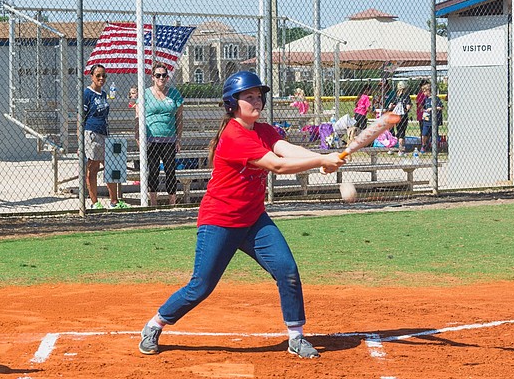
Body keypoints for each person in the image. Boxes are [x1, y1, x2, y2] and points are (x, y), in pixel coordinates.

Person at [138, 72, 345, 358]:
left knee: (287, 270)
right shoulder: (234, 136)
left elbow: (286, 150)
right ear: (232, 103)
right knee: (201, 286)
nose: (256, 100)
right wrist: (321, 160)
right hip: (220, 221)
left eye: (259, 96)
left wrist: (319, 157)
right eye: (249, 96)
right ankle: (155, 323)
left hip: (253, 220)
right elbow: (278, 166)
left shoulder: (262, 130)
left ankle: (296, 336)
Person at [140, 64, 184, 206]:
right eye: (158, 75)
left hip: (169, 139)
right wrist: (138, 137)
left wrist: (178, 138)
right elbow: (138, 117)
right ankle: (153, 202)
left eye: (164, 75)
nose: (161, 78)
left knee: (170, 170)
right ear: (152, 77)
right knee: (153, 170)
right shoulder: (145, 94)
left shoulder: (174, 94)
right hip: (151, 139)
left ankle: (172, 202)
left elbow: (179, 118)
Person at [82, 64, 125, 209]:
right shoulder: (87, 93)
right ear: (92, 76)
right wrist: (80, 139)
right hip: (92, 132)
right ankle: (95, 203)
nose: (101, 78)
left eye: (104, 75)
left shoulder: (104, 94)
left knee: (112, 166)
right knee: (93, 167)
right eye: (98, 75)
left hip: (105, 132)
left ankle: (114, 201)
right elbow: (81, 116)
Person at [385, 80, 412, 156]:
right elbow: (408, 106)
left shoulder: (395, 95)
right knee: (401, 133)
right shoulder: (406, 95)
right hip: (402, 116)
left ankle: (391, 148)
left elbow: (390, 105)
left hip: (395, 116)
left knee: (394, 131)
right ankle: (401, 150)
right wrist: (407, 109)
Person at [419, 85, 444, 154]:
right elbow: (422, 106)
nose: (423, 93)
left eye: (424, 91)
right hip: (427, 120)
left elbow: (441, 107)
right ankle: (423, 146)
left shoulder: (436, 98)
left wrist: (432, 108)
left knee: (434, 134)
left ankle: (434, 148)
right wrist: (424, 110)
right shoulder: (426, 99)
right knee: (424, 134)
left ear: (428, 91)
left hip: (434, 120)